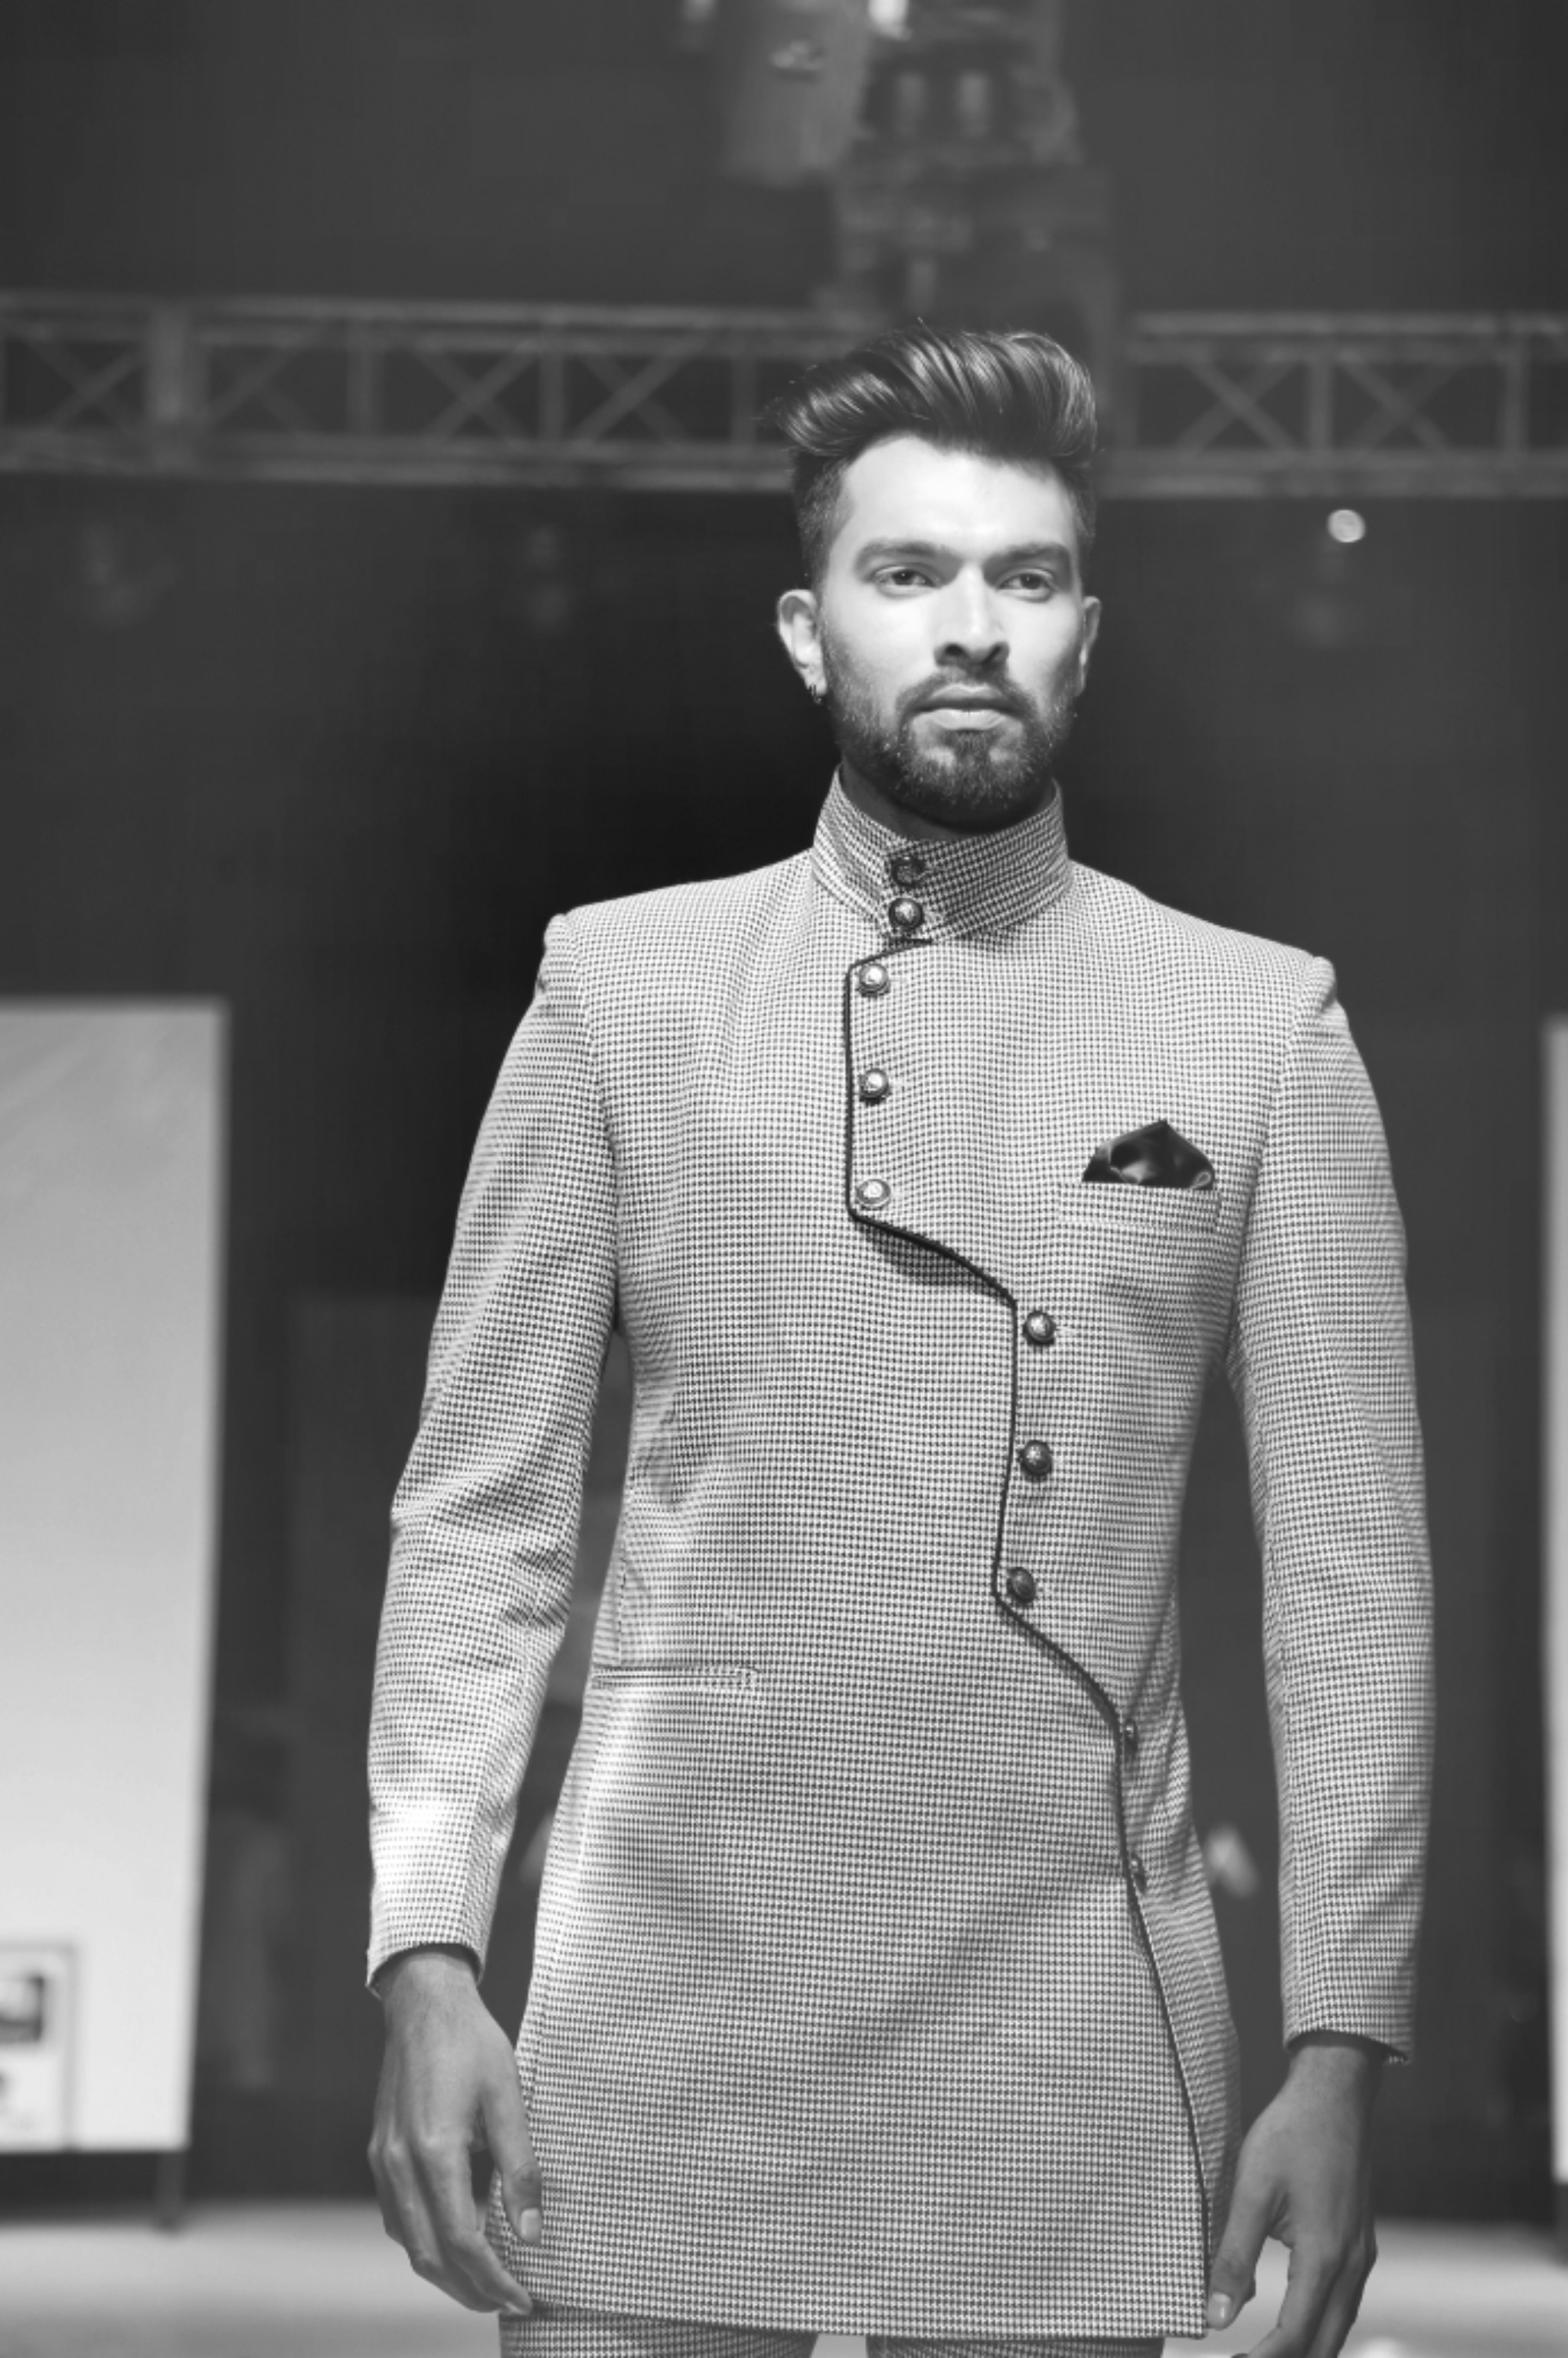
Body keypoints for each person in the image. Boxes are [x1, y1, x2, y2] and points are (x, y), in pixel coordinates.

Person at [367, 326, 1432, 2358]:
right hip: (665, 1969)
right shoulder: (623, 993)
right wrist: (427, 1954)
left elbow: (1353, 1577)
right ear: (809, 628)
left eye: (1025, 577)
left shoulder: (1257, 1027)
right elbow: (484, 1516)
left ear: (1087, 633)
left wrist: (1343, 2036)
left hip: (1073, 1997)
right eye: (907, 571)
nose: (969, 624)